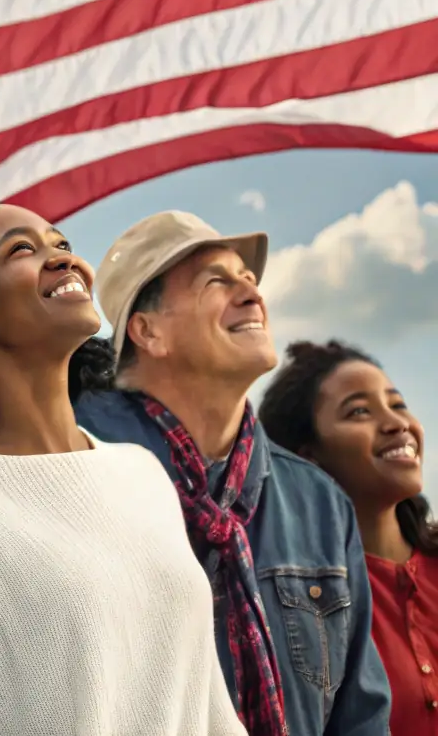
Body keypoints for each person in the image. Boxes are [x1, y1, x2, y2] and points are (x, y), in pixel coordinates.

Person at [0, 195, 246, 736]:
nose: (64, 258)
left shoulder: (143, 474)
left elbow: (212, 712)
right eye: (23, 249)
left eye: (62, 243)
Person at [74, 209, 391, 736]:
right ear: (148, 331)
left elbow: (359, 717)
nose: (251, 294)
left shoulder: (318, 503)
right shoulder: (70, 463)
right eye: (217, 281)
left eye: (248, 280)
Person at [260, 339, 438, 735]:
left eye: (397, 404)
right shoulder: (302, 604)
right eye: (359, 411)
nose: (397, 423)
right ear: (307, 458)